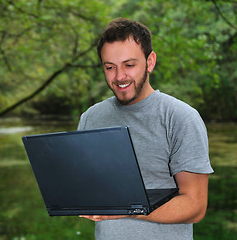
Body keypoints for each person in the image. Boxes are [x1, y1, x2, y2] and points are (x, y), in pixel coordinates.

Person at [77, 18, 214, 240]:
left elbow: (195, 205)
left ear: (150, 62)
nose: (119, 76)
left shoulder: (181, 117)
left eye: (129, 65)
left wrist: (130, 209)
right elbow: (86, 187)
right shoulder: (90, 118)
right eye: (110, 67)